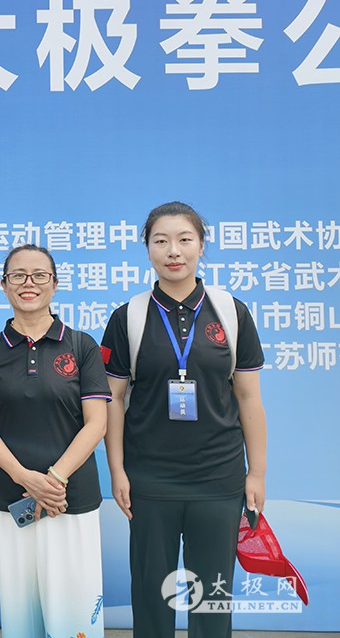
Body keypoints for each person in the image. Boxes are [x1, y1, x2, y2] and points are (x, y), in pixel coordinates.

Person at [100, 201, 268, 638]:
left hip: (219, 477)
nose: (173, 251)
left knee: (212, 597)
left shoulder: (230, 312)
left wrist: (256, 472)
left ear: (201, 245)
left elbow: (248, 396)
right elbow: (113, 399)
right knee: (151, 597)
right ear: (147, 249)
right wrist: (117, 470)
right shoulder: (128, 317)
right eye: (161, 241)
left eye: (184, 239)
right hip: (149, 479)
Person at [0, 244, 109, 638]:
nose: (29, 283)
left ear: (54, 284)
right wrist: (25, 478)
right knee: (20, 610)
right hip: (12, 496)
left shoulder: (82, 346)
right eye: (18, 275)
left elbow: (97, 423)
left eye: (40, 275)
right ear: (4, 285)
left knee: (74, 610)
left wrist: (54, 479)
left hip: (69, 496)